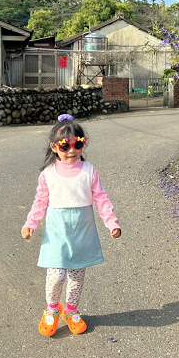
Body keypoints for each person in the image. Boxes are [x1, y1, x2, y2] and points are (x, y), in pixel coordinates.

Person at [21, 114, 121, 337]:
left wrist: (111, 222)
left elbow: (101, 198)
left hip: (82, 231)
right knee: (56, 274)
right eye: (65, 145)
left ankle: (72, 310)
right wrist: (31, 223)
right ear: (54, 147)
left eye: (78, 144)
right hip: (57, 232)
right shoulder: (47, 175)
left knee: (76, 276)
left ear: (84, 144)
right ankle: (52, 309)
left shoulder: (90, 171)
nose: (72, 150)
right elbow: (40, 201)